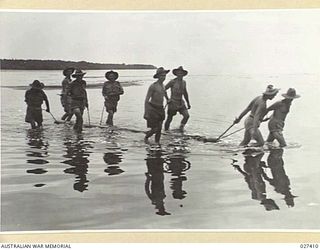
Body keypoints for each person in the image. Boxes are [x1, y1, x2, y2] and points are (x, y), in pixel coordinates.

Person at [144, 67, 170, 144]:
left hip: (161, 108)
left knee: (159, 128)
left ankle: (157, 143)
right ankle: (146, 137)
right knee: (155, 128)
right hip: (153, 108)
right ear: (158, 76)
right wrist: (146, 112)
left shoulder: (163, 85)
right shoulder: (153, 86)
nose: (163, 77)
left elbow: (165, 93)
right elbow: (146, 100)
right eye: (161, 75)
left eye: (164, 76)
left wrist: (168, 99)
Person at [164, 66, 191, 132]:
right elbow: (163, 89)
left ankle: (181, 128)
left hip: (181, 102)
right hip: (173, 102)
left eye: (181, 73)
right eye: (178, 73)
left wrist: (188, 103)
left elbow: (185, 93)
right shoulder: (172, 82)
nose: (180, 74)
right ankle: (166, 131)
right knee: (169, 118)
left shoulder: (184, 82)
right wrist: (167, 99)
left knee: (186, 116)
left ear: (183, 74)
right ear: (176, 74)